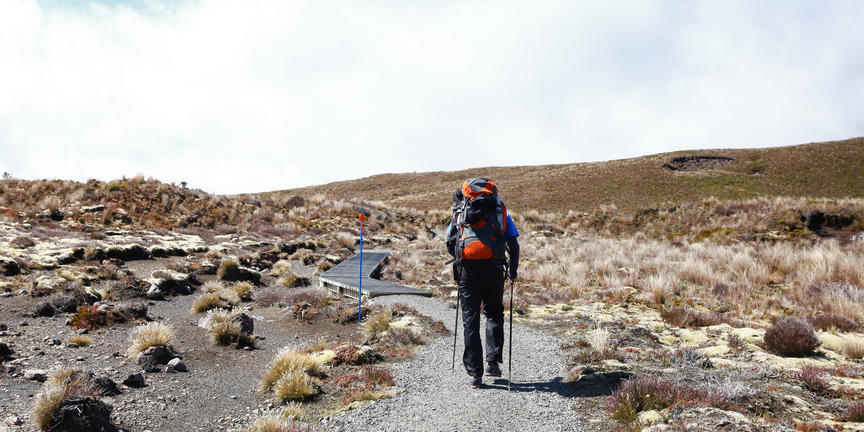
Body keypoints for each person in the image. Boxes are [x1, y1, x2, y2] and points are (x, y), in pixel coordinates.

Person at [445, 178, 520, 389]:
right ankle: (491, 363)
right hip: (494, 270)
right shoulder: (499, 212)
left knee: (470, 319)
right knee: (494, 312)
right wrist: (512, 271)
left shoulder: (460, 211)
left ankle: (475, 375)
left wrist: (461, 260)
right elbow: (513, 244)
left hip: (467, 272)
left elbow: (449, 242)